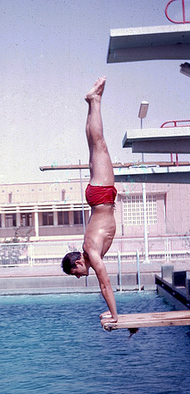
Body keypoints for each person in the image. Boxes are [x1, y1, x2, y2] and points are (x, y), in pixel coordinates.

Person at [61, 77, 118, 323]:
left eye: (75, 273)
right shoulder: (90, 254)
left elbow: (105, 285)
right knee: (95, 146)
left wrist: (115, 316)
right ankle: (92, 102)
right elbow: (103, 285)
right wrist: (110, 311)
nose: (78, 277)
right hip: (99, 198)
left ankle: (95, 101)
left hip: (102, 197)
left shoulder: (91, 253)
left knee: (99, 145)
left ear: (78, 262)